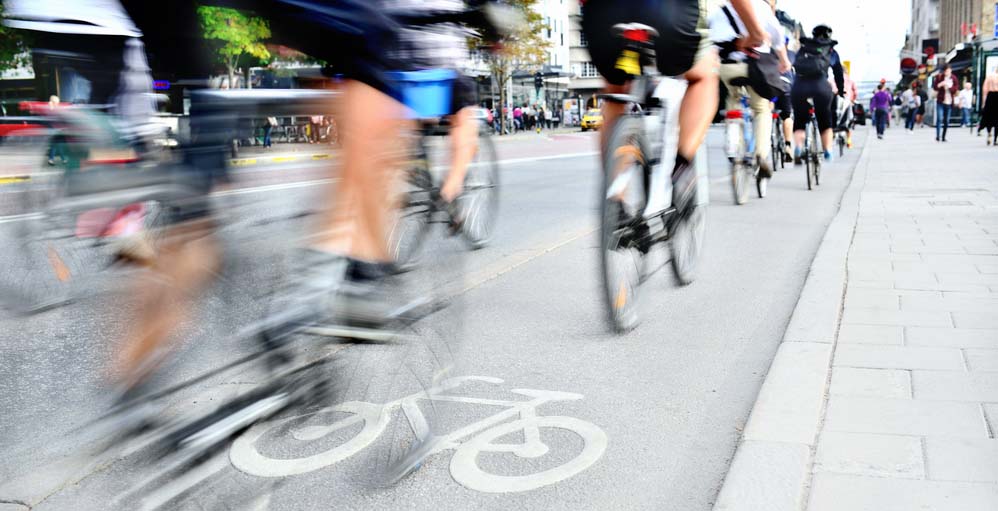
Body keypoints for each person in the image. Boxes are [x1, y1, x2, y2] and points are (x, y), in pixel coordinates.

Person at [582, 0, 770, 213]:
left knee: (615, 89)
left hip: (602, 17)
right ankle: (679, 171)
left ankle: (615, 196)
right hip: (668, 15)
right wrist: (755, 33)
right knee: (705, 75)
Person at [709, 0, 791, 195]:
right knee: (761, 108)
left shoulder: (720, 11)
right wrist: (785, 62)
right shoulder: (762, 8)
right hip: (756, 67)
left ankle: (732, 140)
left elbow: (712, 40)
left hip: (728, 66)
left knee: (733, 97)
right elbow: (778, 39)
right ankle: (761, 155)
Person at [790, 23, 844, 163]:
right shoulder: (831, 51)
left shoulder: (803, 48)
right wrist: (841, 90)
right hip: (820, 86)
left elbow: (794, 66)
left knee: (800, 118)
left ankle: (799, 147)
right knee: (825, 118)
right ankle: (827, 150)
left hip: (799, 86)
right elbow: (838, 73)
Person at [933, 64, 958, 142]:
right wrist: (940, 84)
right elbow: (935, 87)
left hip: (949, 102)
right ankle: (937, 136)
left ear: (950, 70)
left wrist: (949, 87)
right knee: (939, 118)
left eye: (948, 71)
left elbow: (956, 89)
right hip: (940, 101)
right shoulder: (939, 77)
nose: (946, 72)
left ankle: (943, 136)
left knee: (946, 120)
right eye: (945, 71)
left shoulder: (954, 78)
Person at [977, 69, 998, 145]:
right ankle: (996, 139)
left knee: (989, 117)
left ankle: (989, 134)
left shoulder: (989, 77)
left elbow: (985, 90)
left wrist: (983, 102)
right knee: (997, 119)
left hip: (990, 97)